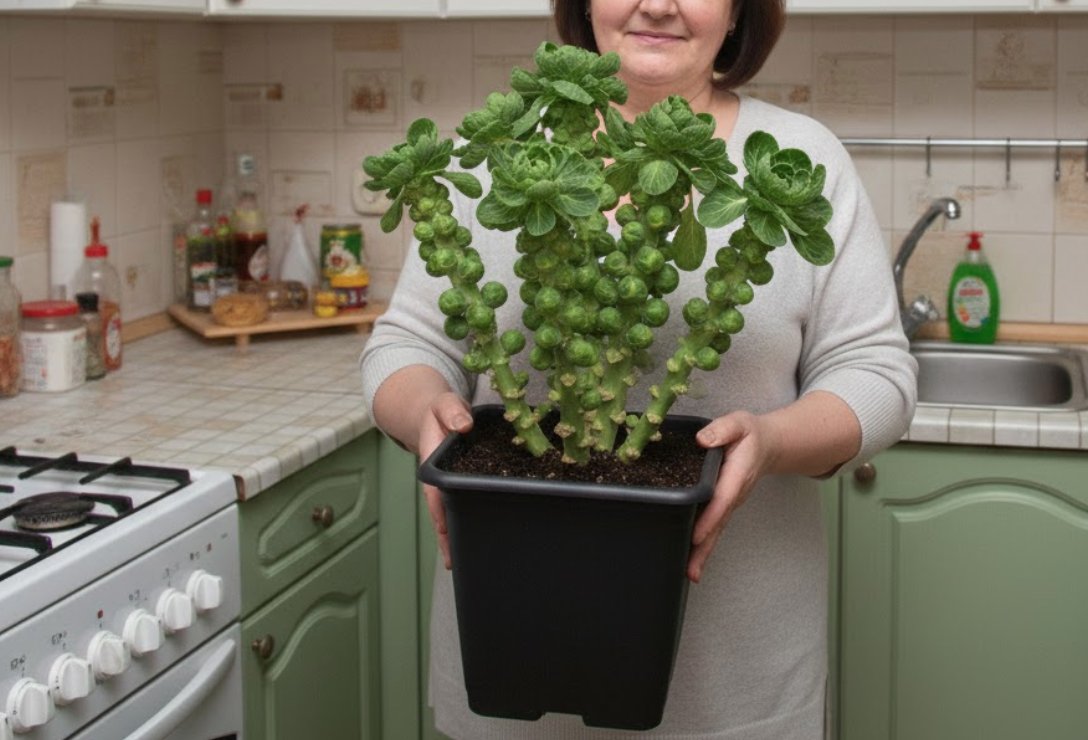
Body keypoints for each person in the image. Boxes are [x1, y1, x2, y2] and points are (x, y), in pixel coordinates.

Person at [360, 0, 917, 737]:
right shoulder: (489, 154)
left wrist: (772, 442)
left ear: (739, 10)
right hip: (511, 662)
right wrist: (423, 412)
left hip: (738, 684)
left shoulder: (806, 157)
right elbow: (405, 344)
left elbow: (877, 375)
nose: (657, 3)